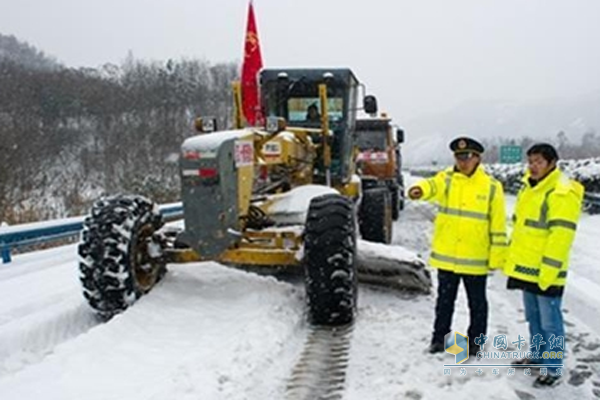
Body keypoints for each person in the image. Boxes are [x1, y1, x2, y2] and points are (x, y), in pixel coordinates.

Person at [408, 137, 507, 355]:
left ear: (478, 158)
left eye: (467, 157)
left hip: (475, 257)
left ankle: (475, 342)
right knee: (444, 302)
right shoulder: (447, 179)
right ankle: (439, 339)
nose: (462, 161)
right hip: (448, 256)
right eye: (459, 157)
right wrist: (418, 189)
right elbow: (431, 185)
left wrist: (497, 257)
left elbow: (498, 225)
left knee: (477, 305)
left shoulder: (491, 187)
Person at [504, 143, 583, 387]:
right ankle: (538, 356)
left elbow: (561, 236)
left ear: (551, 163)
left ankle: (553, 367)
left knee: (551, 323)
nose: (533, 166)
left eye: (538, 161)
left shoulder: (561, 192)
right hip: (527, 268)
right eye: (530, 161)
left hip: (547, 270)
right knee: (534, 318)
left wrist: (549, 270)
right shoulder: (530, 188)